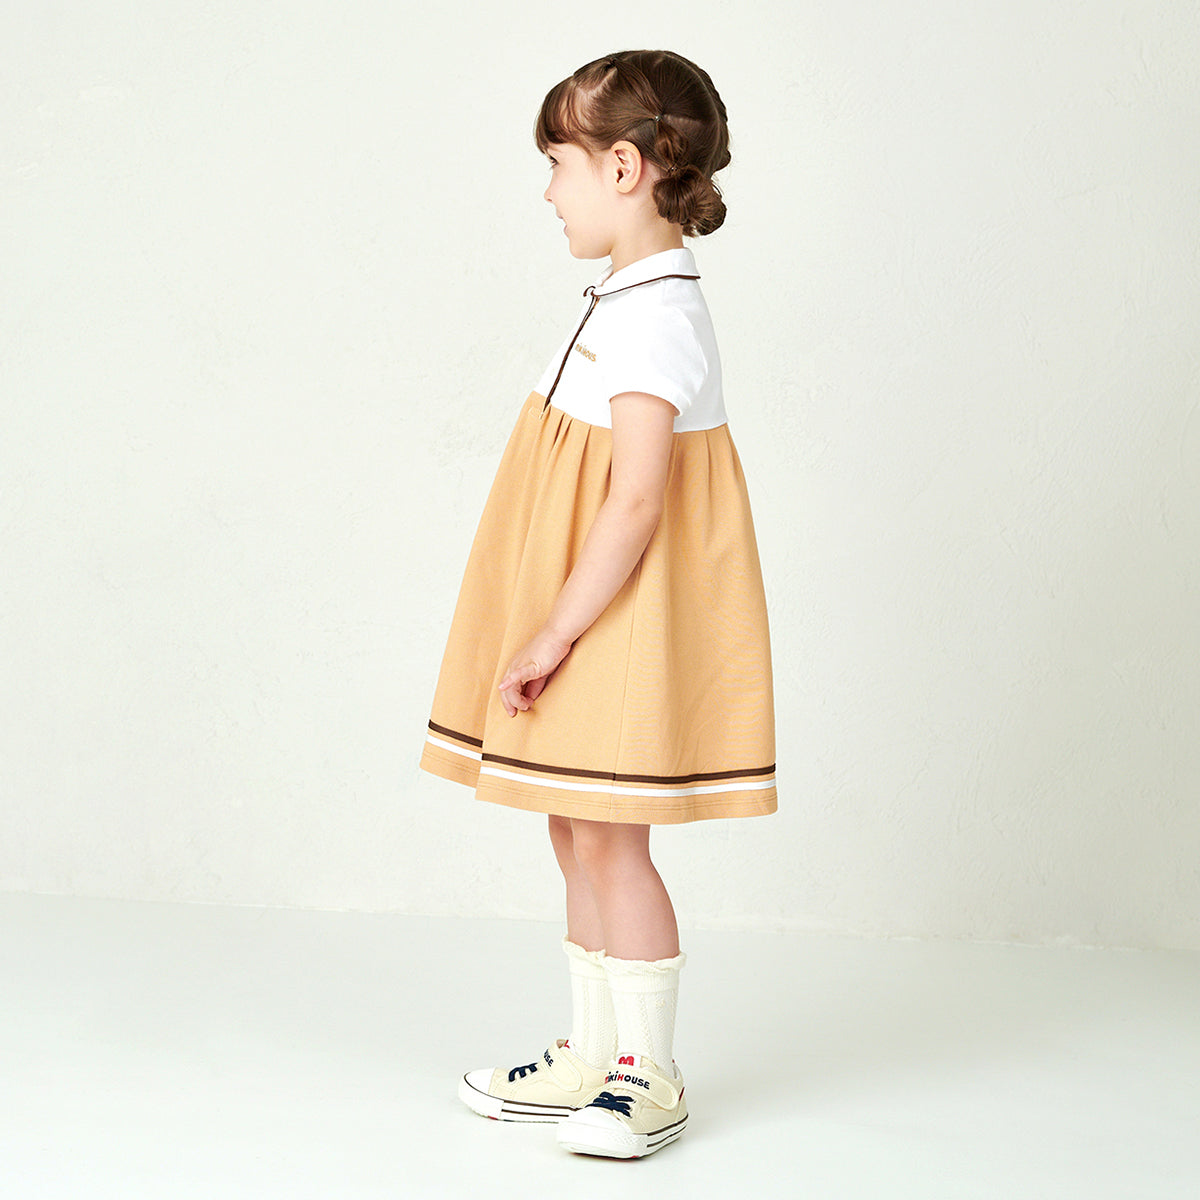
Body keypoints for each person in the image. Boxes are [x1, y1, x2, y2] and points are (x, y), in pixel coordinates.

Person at [419, 49, 776, 1159]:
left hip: (614, 614)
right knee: (574, 826)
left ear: (623, 167)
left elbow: (635, 499)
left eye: (558, 164)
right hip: (590, 601)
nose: (547, 191)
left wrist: (554, 631)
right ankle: (590, 1051)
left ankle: (648, 1074)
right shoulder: (627, 296)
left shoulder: (656, 313)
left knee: (615, 842)